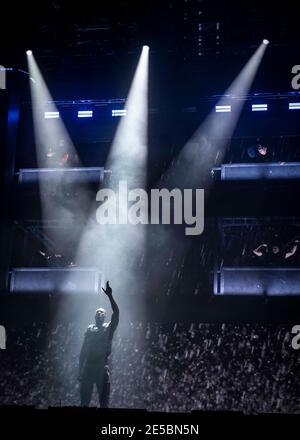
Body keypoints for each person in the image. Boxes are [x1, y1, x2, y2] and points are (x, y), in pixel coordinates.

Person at [79, 281, 119, 407]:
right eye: (97, 312)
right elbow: (83, 351)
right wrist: (80, 370)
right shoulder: (90, 329)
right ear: (94, 316)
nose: (99, 313)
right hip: (88, 368)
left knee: (104, 403)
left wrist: (110, 296)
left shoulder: (108, 328)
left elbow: (116, 313)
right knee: (84, 402)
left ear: (105, 316)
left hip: (101, 368)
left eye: (102, 312)